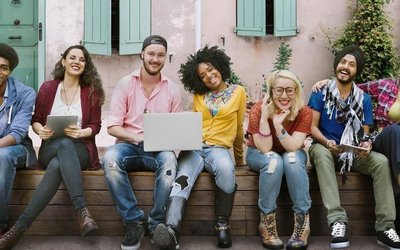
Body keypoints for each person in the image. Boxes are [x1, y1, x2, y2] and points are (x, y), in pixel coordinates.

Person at [0, 44, 105, 249]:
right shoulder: (48, 88)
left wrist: (81, 132)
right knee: (61, 146)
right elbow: (36, 119)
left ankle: (19, 229)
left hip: (80, 148)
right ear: (63, 61)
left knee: (59, 162)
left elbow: (96, 125)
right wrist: (40, 130)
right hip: (50, 146)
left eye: (82, 59)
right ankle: (81, 209)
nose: (77, 62)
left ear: (86, 65)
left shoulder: (91, 91)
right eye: (72, 57)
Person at [153, 45, 246, 249]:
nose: (209, 76)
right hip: (193, 147)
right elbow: (192, 123)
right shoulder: (199, 96)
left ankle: (222, 226)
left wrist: (239, 159)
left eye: (211, 69)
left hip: (218, 148)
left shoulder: (238, 92)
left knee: (226, 170)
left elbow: (238, 128)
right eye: (203, 75)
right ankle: (171, 232)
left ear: (220, 66)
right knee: (181, 181)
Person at [307, 45, 400, 249]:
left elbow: (364, 133)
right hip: (323, 147)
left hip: (350, 151)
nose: (345, 67)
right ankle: (337, 221)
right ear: (336, 65)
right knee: (322, 155)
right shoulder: (321, 92)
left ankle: (385, 227)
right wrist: (327, 142)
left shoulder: (363, 98)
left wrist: (366, 144)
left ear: (356, 71)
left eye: (351, 64)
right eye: (343, 62)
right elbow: (311, 127)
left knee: (380, 161)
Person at [102, 35, 182, 250]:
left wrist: (170, 138)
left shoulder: (173, 89)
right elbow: (112, 127)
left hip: (157, 149)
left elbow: (175, 131)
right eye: (151, 54)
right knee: (109, 159)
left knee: (169, 162)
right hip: (128, 145)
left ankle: (156, 223)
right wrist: (137, 137)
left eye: (160, 55)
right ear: (142, 54)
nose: (155, 59)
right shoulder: (125, 84)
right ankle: (133, 222)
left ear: (165, 58)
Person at [246, 70, 312, 250]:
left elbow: (293, 146)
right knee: (273, 160)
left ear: (296, 91)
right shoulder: (259, 108)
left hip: (290, 150)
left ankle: (302, 223)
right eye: (279, 90)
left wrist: (278, 125)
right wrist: (266, 119)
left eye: (290, 90)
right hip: (258, 153)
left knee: (291, 159)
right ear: (271, 91)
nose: (284, 95)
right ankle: (266, 223)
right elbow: (264, 148)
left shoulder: (304, 112)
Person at [0, 44, 36, 238]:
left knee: (2, 156)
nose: (0, 71)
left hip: (17, 149)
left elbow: (17, 134)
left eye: (4, 68)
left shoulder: (25, 93)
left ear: (10, 71)